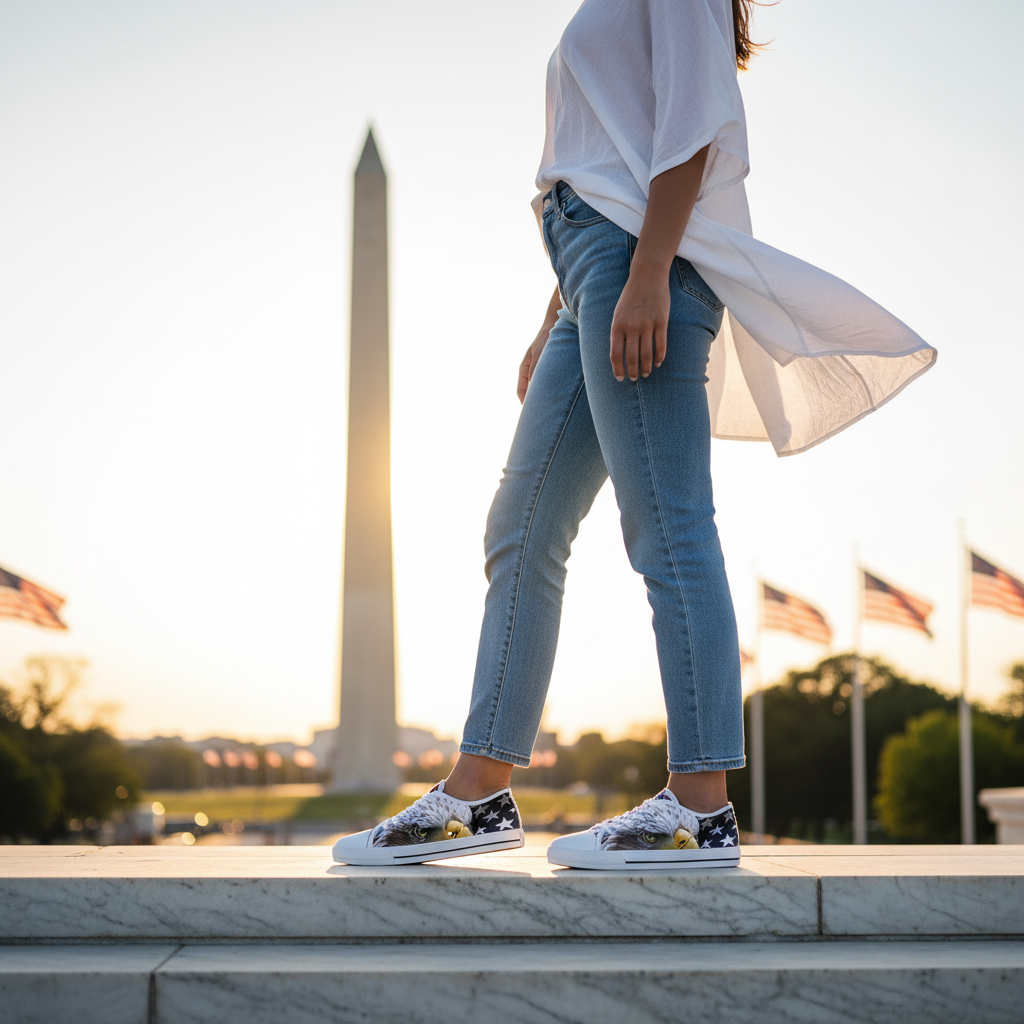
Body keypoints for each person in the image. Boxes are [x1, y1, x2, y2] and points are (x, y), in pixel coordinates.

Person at [333, 0, 935, 869]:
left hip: (636, 260)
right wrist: (556, 314)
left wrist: (649, 270)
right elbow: (599, 160)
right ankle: (477, 795)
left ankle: (700, 807)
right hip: (590, 269)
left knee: (668, 524)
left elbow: (692, 125)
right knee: (522, 527)